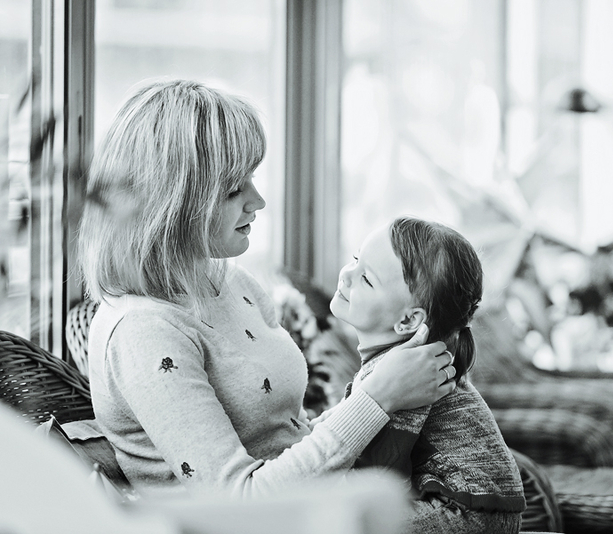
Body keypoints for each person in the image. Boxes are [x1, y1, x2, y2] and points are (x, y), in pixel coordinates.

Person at [77, 79, 456, 499]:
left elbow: (288, 438)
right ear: (171, 203)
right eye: (232, 189)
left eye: (252, 178)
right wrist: (377, 399)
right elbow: (238, 502)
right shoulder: (143, 332)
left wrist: (380, 397)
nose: (257, 201)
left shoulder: (232, 282)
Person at [329, 216, 525, 534]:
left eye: (366, 279)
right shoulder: (416, 360)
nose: (347, 274)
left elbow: (380, 478)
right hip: (481, 506)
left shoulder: (404, 373)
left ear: (408, 321)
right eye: (355, 259)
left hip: (465, 510)